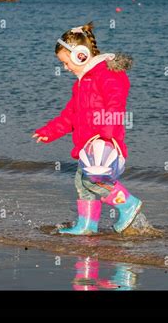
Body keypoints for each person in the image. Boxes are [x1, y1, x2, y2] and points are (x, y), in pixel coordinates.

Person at [32, 21, 142, 235]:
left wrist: (107, 135)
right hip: (87, 145)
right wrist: (49, 132)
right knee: (83, 184)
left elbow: (116, 103)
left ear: (80, 55)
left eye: (66, 62)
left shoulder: (106, 74)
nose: (65, 67)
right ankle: (86, 226)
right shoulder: (82, 83)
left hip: (103, 142)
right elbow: (70, 115)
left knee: (94, 181)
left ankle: (128, 204)